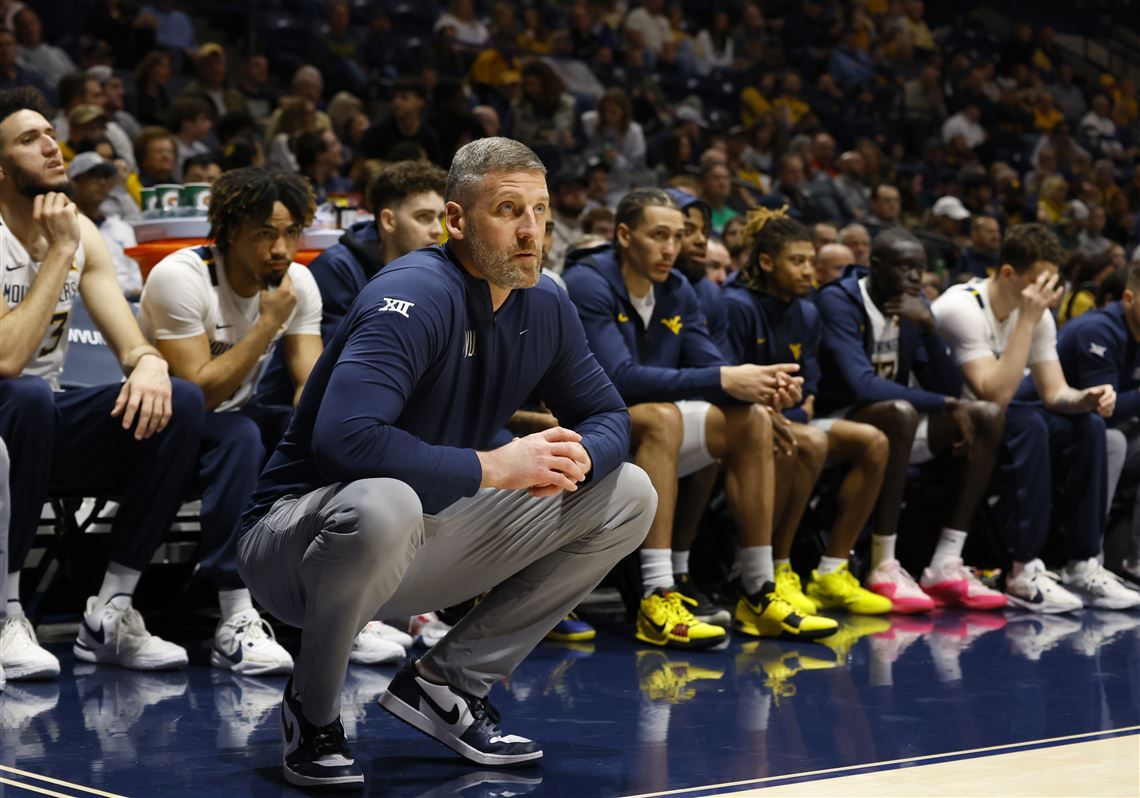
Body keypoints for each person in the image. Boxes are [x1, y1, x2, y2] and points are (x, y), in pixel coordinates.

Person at [236, 138, 655, 788]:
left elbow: (611, 419)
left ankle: (448, 684)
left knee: (628, 491)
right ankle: (311, 713)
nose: (529, 231)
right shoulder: (412, 293)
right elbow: (344, 442)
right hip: (296, 547)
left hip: (427, 537)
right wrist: (499, 467)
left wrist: (572, 459)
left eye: (540, 212)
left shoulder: (545, 302)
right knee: (386, 501)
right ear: (456, 221)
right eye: (508, 209)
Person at [564, 188, 837, 647]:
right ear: (625, 235)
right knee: (665, 417)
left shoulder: (678, 289)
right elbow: (619, 376)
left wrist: (768, 391)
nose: (670, 247)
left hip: (649, 426)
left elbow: (710, 365)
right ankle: (657, 593)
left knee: (751, 420)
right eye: (658, 235)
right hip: (583, 430)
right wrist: (728, 377)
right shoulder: (589, 281)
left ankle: (757, 588)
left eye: (678, 236)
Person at [0, 87, 203, 679]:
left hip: (42, 422)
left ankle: (111, 610)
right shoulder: (63, 236)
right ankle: (8, 612)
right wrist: (60, 251)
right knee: (30, 395)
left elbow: (129, 338)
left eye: (48, 133)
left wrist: (147, 362)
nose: (50, 145)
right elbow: (8, 360)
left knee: (183, 402)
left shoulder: (80, 229)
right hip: (10, 413)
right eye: (28, 139)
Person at [139, 167, 325, 676]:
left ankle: (328, 601)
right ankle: (234, 615)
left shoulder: (297, 283)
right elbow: (197, 393)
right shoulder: (182, 277)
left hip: (233, 423)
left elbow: (309, 383)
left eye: (290, 233)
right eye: (265, 234)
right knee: (240, 434)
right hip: (160, 428)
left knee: (312, 429)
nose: (281, 249)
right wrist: (267, 324)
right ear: (229, 233)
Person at [932, 223, 1140, 612]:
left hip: (994, 422)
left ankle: (1082, 564)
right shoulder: (962, 307)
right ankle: (1021, 570)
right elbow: (995, 395)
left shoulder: (1037, 315)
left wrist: (1086, 398)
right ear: (1008, 273)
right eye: (1039, 282)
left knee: (1089, 426)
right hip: (946, 421)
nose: (1049, 294)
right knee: (1029, 424)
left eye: (1053, 283)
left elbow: (1055, 393)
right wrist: (1027, 321)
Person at [817, 228, 1007, 613]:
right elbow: (862, 386)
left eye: (920, 269)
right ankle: (883, 564)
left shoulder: (913, 306)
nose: (916, 278)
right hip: (834, 418)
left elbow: (947, 383)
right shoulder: (838, 301)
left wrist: (930, 329)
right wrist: (945, 402)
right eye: (905, 268)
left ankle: (945, 563)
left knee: (986, 416)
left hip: (892, 426)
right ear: (875, 266)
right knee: (901, 412)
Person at [724, 208, 891, 617]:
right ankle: (775, 570)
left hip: (791, 421)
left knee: (874, 442)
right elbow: (722, 385)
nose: (807, 271)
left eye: (809, 262)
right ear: (766, 262)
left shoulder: (808, 312)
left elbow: (810, 394)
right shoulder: (737, 306)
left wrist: (790, 412)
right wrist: (775, 414)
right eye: (796, 261)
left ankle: (832, 570)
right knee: (807, 442)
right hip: (740, 427)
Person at [1056, 263, 1140, 586]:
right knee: (1113, 440)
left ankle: (1134, 562)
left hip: (1098, 428)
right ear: (1129, 298)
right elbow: (1104, 410)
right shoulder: (1100, 330)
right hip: (1062, 428)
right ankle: (1087, 560)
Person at [67, 151, 143, 297]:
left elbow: (134, 276)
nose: (103, 182)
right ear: (74, 182)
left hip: (131, 305)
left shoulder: (122, 228)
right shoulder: (62, 228)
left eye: (106, 177)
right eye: (94, 176)